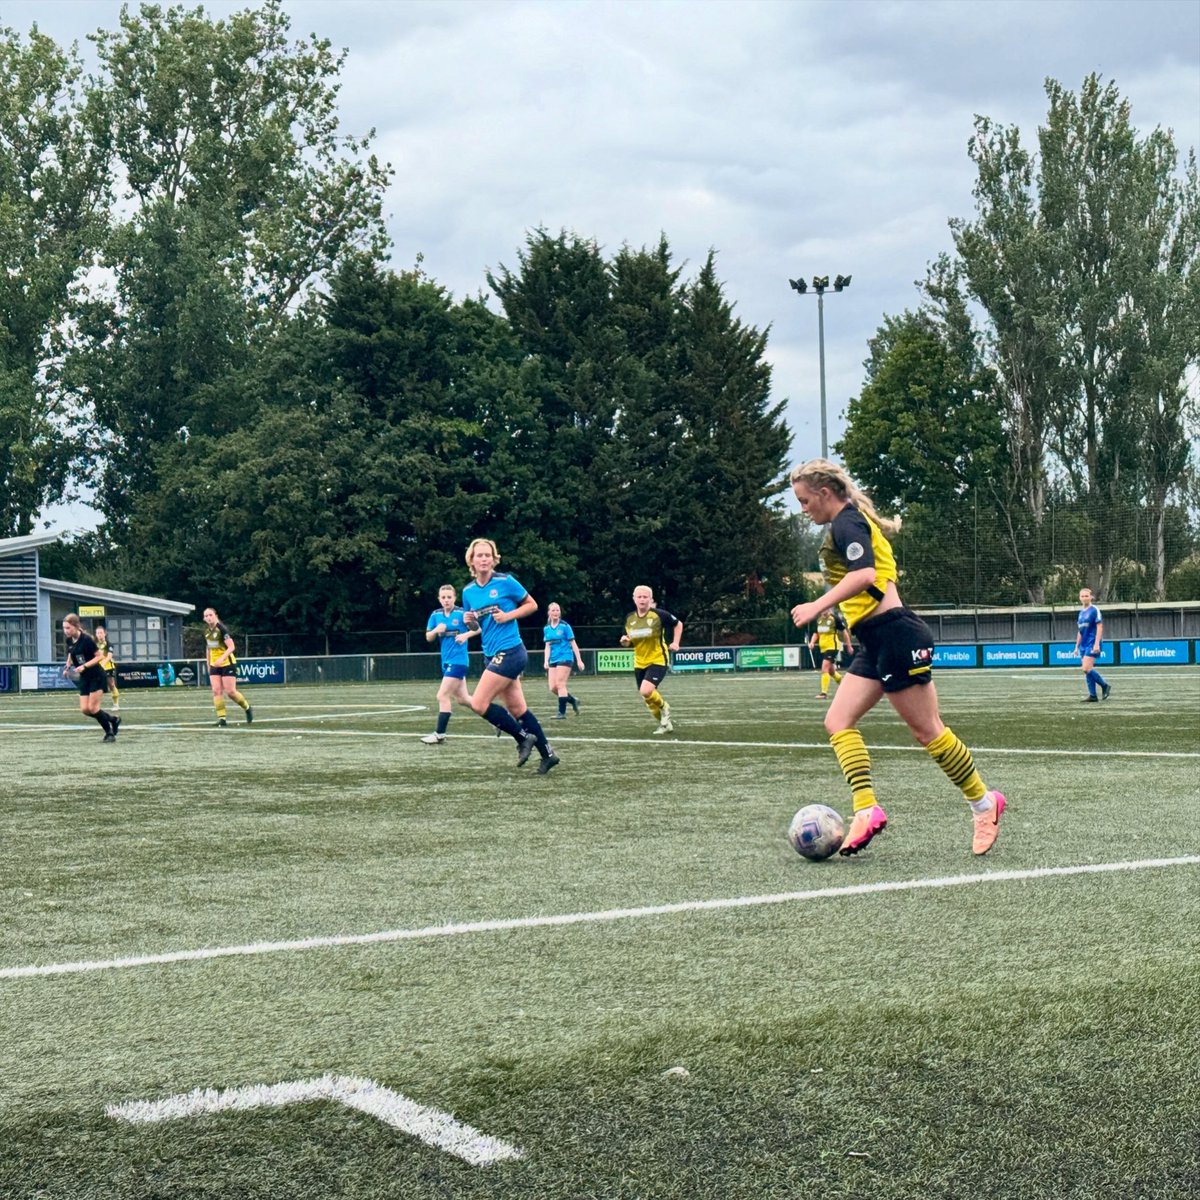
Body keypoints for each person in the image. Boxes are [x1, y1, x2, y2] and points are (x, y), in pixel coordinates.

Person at [788, 458, 1005, 857]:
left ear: (823, 493)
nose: (803, 509)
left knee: (928, 731)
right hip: (875, 639)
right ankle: (866, 808)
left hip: (896, 633)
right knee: (838, 720)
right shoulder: (846, 524)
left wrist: (818, 604)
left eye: (804, 501)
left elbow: (865, 575)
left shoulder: (845, 522)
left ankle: (984, 804)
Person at [461, 538, 560, 774]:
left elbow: (532, 604)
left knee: (478, 703)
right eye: (480, 555)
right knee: (518, 709)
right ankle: (548, 755)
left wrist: (508, 616)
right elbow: (474, 624)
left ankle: (523, 738)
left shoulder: (505, 582)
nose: (484, 559)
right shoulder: (468, 591)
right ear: (471, 560)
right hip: (491, 653)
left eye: (488, 555)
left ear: (494, 559)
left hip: (511, 651)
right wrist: (469, 620)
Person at [620, 585, 683, 735]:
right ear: (634, 599)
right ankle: (665, 724)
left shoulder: (659, 615)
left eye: (645, 597)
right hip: (639, 661)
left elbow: (678, 624)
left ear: (650, 599)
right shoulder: (629, 618)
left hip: (658, 659)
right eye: (639, 597)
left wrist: (675, 642)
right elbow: (628, 641)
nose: (642, 599)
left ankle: (664, 707)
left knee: (646, 690)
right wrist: (625, 642)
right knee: (647, 698)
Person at [421, 584, 477, 743]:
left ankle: (440, 734)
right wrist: (436, 630)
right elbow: (428, 637)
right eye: (443, 597)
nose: (446, 600)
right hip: (446, 661)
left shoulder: (461, 613)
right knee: (463, 699)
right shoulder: (436, 615)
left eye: (449, 597)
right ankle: (498, 718)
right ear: (439, 599)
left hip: (459, 661)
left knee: (442, 695)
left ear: (454, 598)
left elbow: (477, 629)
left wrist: (465, 635)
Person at [62, 614, 120, 742]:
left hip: (96, 676)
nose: (66, 631)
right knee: (85, 710)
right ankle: (113, 719)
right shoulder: (69, 640)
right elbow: (71, 653)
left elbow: (99, 656)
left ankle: (109, 733)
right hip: (85, 678)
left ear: (76, 626)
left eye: (68, 628)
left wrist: (85, 666)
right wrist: (67, 667)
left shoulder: (87, 640)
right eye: (64, 628)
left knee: (93, 708)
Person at [202, 607, 253, 727]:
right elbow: (209, 648)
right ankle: (222, 719)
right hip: (215, 664)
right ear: (204, 619)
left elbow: (231, 647)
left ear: (215, 615)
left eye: (210, 615)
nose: (209, 618)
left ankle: (247, 708)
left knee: (230, 692)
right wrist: (208, 663)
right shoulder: (206, 632)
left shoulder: (222, 629)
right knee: (216, 691)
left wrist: (222, 658)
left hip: (227, 663)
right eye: (206, 616)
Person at [543, 602, 584, 719]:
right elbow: (548, 646)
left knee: (560, 684)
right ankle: (572, 700)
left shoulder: (565, 626)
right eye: (553, 610)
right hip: (553, 659)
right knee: (553, 687)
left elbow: (573, 643)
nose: (556, 612)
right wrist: (546, 660)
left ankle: (561, 713)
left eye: (558, 610)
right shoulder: (546, 629)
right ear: (549, 613)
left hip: (565, 657)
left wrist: (579, 660)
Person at [1074, 587, 1111, 703]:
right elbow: (1080, 631)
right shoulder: (1080, 613)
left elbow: (1100, 627)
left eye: (1086, 596)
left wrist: (1096, 644)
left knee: (1086, 668)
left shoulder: (1094, 610)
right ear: (1079, 598)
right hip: (1084, 644)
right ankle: (1093, 695)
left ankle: (1105, 685)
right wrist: (1076, 646)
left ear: (1091, 597)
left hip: (1092, 642)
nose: (1084, 598)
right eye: (1082, 596)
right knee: (1087, 670)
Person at [807, 606, 853, 700]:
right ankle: (846, 686)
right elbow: (816, 633)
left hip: (832, 647)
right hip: (823, 648)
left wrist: (848, 645)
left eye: (826, 609)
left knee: (824, 668)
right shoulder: (819, 620)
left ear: (829, 609)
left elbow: (844, 632)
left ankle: (824, 694)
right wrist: (812, 642)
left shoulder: (834, 619)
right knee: (831, 671)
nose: (824, 611)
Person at [94, 623, 121, 712]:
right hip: (97, 667)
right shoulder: (94, 645)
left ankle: (116, 704)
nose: (99, 635)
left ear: (105, 633)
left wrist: (102, 665)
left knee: (111, 684)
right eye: (98, 633)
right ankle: (95, 705)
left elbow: (109, 656)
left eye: (101, 633)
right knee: (96, 686)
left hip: (108, 666)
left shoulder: (109, 645)